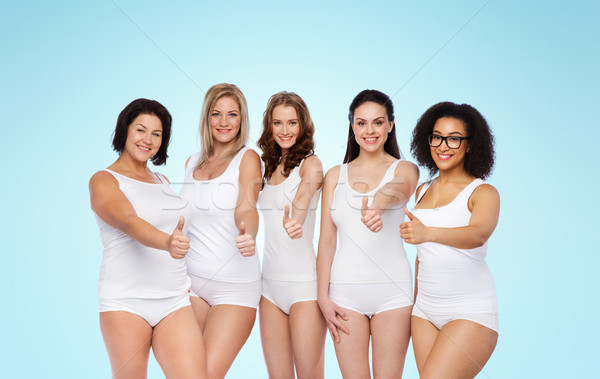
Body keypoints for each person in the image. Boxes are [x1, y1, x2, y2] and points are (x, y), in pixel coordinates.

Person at [89, 98, 206, 378]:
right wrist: (166, 242)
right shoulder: (104, 180)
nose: (148, 139)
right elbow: (130, 222)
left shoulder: (162, 181)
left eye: (156, 134)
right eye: (141, 130)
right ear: (125, 130)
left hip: (174, 300)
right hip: (126, 302)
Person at [317, 89, 419, 378]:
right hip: (344, 294)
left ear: (390, 125)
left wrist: (378, 205)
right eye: (361, 123)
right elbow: (326, 242)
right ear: (352, 126)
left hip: (393, 295)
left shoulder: (406, 168)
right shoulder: (335, 175)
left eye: (378, 122)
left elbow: (399, 188)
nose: (369, 130)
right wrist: (322, 298)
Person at [401, 101, 499, 378]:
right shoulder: (421, 190)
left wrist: (428, 233)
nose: (443, 146)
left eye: (454, 139)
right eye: (437, 137)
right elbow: (423, 256)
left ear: (470, 145)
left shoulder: (483, 192)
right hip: (425, 313)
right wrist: (416, 303)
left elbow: (478, 234)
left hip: (469, 312)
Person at [179, 83, 262, 379]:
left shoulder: (247, 158)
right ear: (207, 118)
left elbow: (247, 207)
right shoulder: (191, 163)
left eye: (232, 114)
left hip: (234, 288)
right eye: (217, 114)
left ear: (242, 120)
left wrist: (247, 233)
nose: (224, 123)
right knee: (183, 372)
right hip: (191, 285)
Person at [256, 92, 327, 378]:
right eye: (277, 123)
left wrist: (296, 220)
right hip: (269, 288)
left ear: (303, 126)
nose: (285, 131)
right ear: (269, 126)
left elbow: (305, 193)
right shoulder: (265, 167)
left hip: (304, 287)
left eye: (292, 123)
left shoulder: (311, 164)